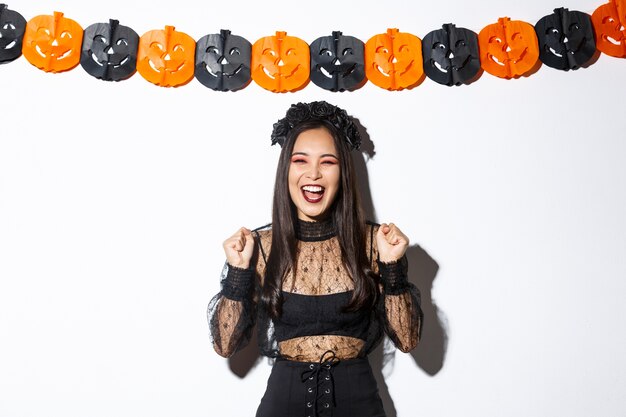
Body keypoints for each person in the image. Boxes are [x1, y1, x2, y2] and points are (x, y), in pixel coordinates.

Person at [207, 101, 423, 417]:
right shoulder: (260, 245)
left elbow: (408, 340)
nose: (313, 173)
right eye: (300, 160)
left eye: (328, 162)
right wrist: (239, 272)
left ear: (343, 172)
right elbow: (225, 345)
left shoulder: (375, 242)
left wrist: (392, 268)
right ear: (286, 170)